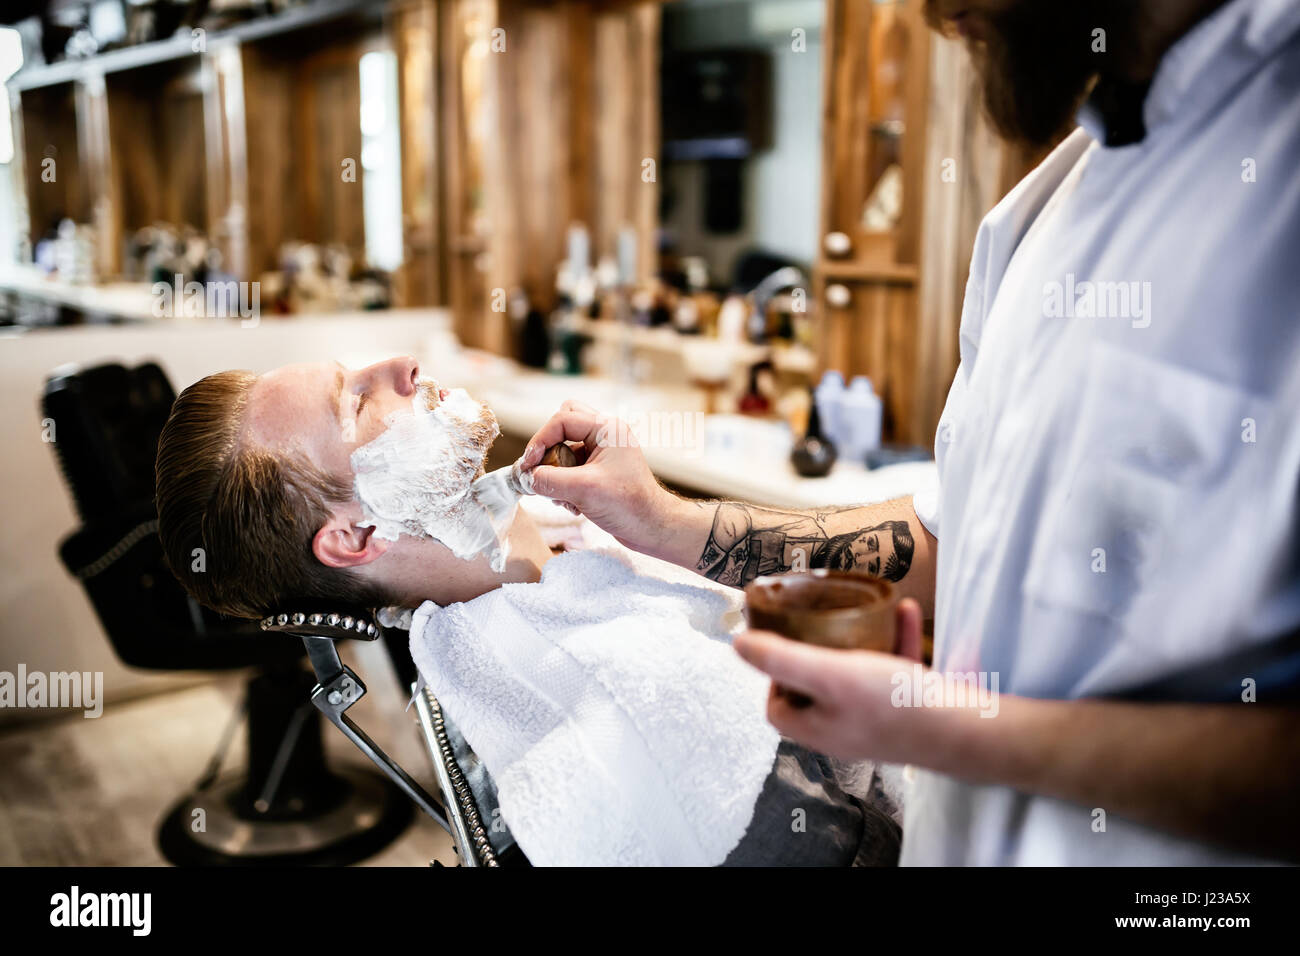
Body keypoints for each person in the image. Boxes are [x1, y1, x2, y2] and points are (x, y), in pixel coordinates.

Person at [522, 0, 1300, 864]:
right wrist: (666, 521)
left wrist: (947, 728)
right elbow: (945, 539)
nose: (930, 11)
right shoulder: (1035, 217)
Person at [153, 357, 902, 865]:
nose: (403, 366)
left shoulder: (566, 549)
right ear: (355, 537)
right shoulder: (612, 704)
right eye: (356, 401)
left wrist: (664, 520)